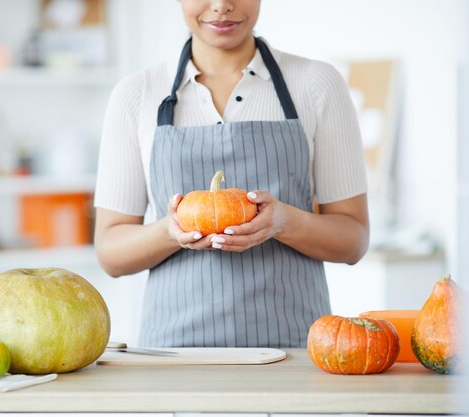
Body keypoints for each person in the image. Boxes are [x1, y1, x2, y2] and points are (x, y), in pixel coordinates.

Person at [93, 0, 369, 348]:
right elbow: (110, 252)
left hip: (296, 353)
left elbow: (354, 240)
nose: (222, 5)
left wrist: (283, 223)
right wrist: (170, 231)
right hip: (173, 359)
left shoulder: (316, 85)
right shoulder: (137, 94)